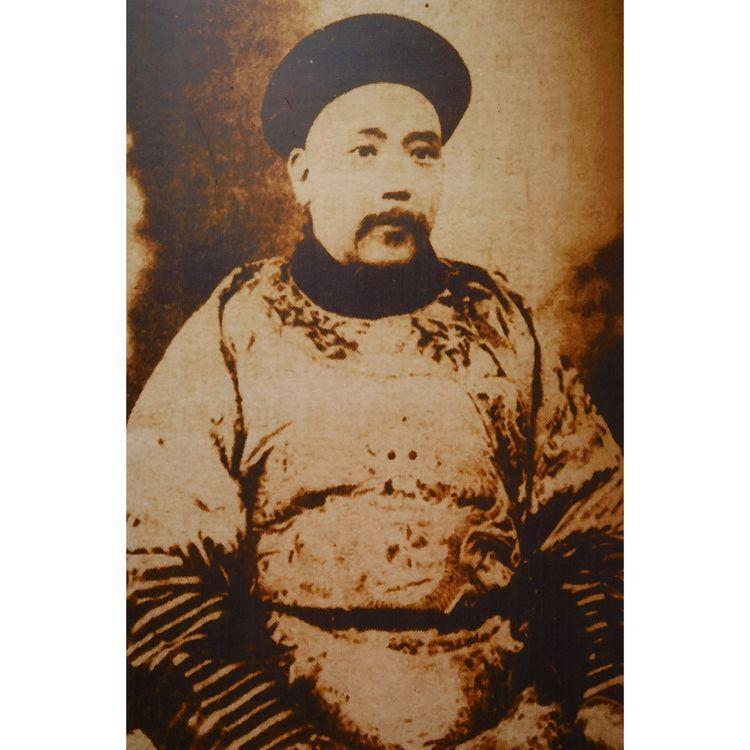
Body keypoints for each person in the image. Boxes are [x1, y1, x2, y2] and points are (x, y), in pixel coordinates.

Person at [127, 14, 623, 750]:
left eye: (422, 154)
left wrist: (602, 712)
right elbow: (148, 578)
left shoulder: (503, 323)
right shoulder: (236, 327)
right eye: (365, 151)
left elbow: (602, 540)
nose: (397, 181)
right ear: (302, 174)